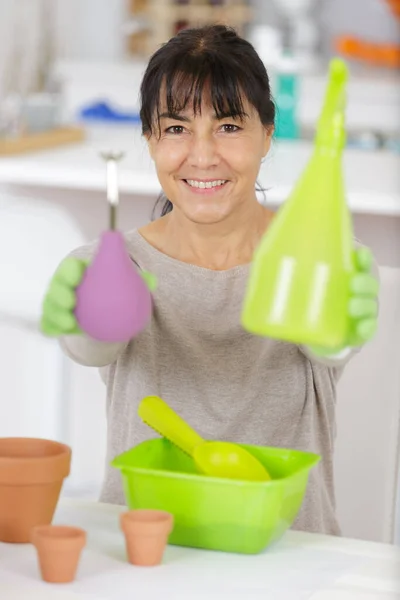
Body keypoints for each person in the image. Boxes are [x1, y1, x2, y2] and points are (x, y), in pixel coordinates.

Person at [40, 25, 379, 536]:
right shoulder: (112, 267)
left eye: (227, 126)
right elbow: (91, 347)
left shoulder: (323, 264)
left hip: (289, 557)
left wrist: (335, 329)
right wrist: (84, 322)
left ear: (267, 133)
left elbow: (329, 345)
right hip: (144, 552)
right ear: (150, 139)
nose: (202, 156)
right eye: (176, 129)